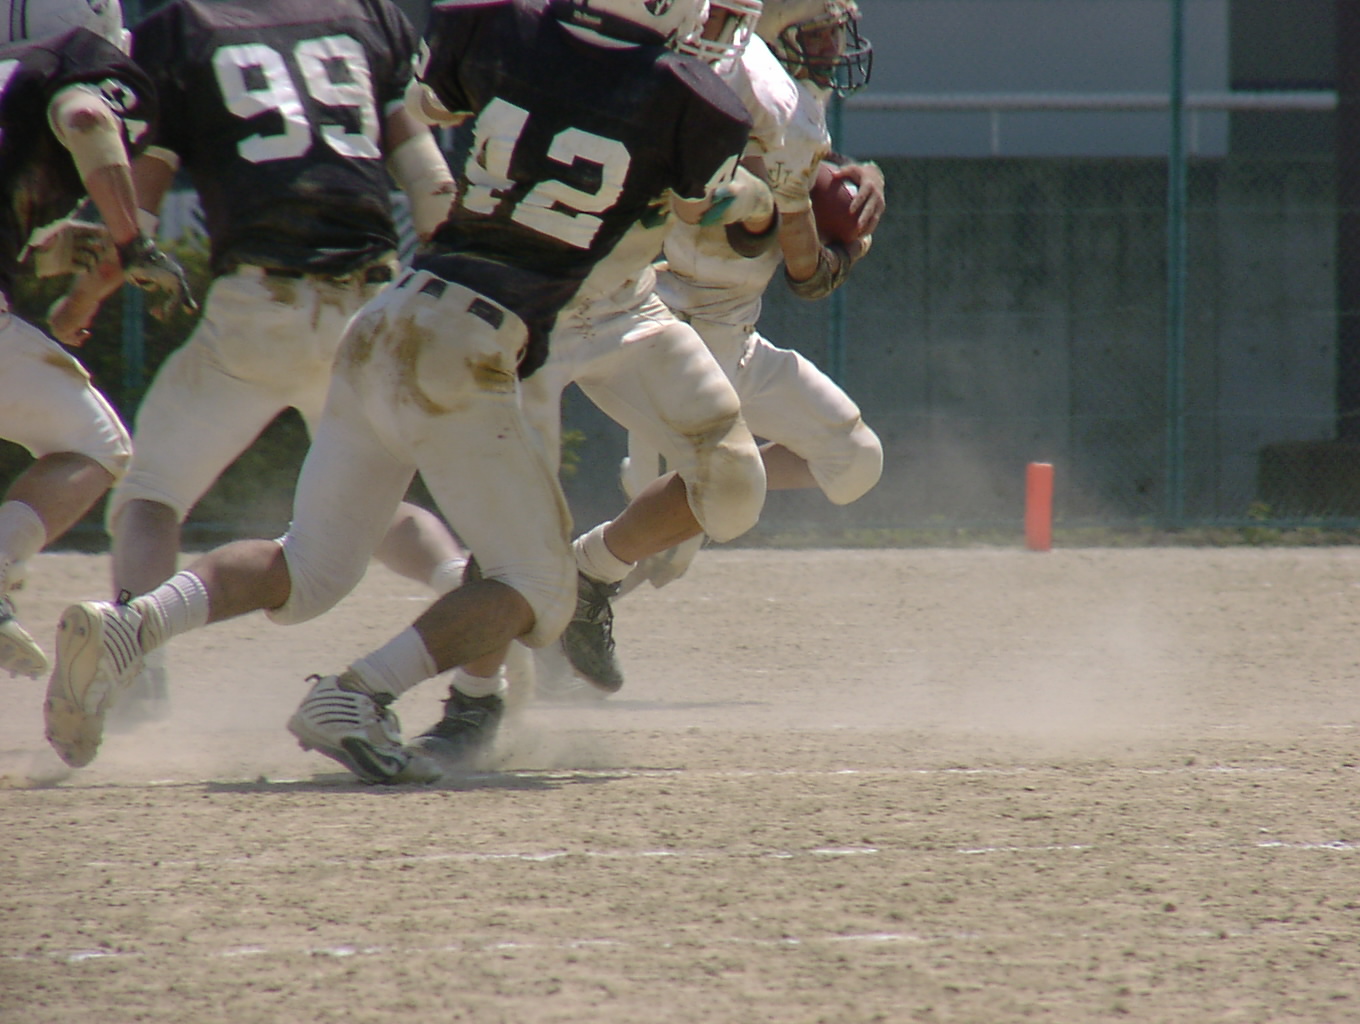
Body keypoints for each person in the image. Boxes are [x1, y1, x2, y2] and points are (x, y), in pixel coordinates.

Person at [42, 0, 770, 781]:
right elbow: (697, 208)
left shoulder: (503, 28)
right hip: (470, 345)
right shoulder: (687, 99)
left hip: (388, 316)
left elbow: (432, 107)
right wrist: (762, 196)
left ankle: (133, 624)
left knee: (309, 568)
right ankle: (359, 695)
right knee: (539, 586)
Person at [61, 0, 473, 727]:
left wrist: (80, 301)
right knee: (367, 505)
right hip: (369, 305)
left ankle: (135, 673)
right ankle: (471, 590)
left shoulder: (179, 29)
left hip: (261, 308)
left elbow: (138, 217)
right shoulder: (368, 13)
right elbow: (434, 185)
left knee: (151, 494)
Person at [544, 0, 884, 698]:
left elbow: (807, 239)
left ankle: (585, 578)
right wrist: (802, 207)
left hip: (733, 334)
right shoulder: (713, 86)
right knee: (686, 529)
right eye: (818, 32)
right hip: (651, 324)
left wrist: (857, 181)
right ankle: (539, 621)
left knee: (854, 461)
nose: (831, 48)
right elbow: (771, 241)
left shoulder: (787, 107)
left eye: (834, 32)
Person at [0, 0, 194, 679]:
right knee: (95, 446)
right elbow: (84, 117)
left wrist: (45, 249)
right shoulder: (77, 58)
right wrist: (132, 242)